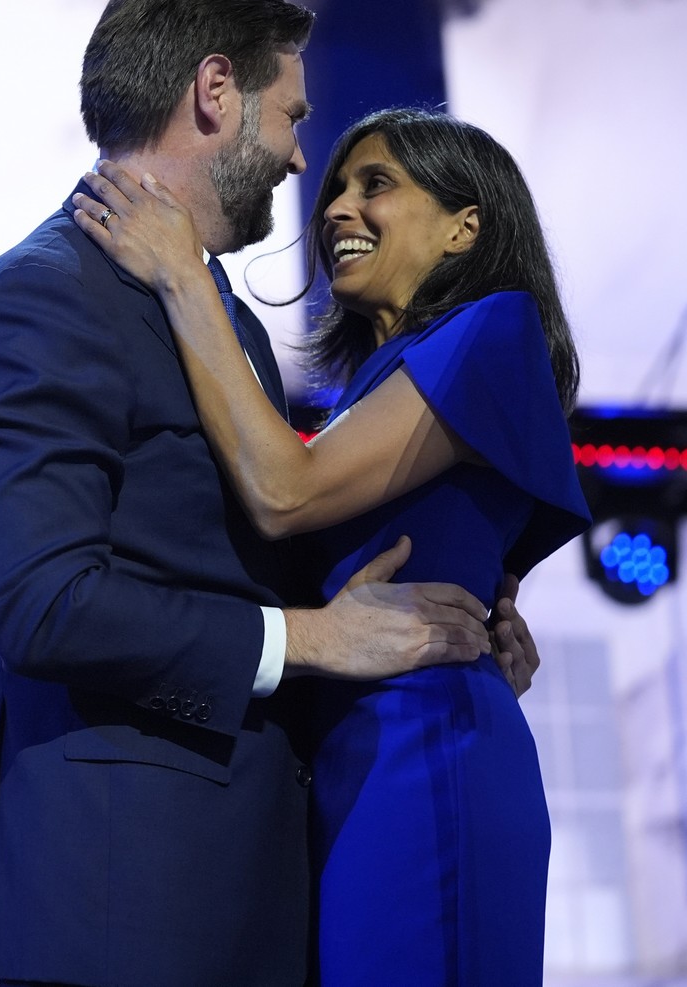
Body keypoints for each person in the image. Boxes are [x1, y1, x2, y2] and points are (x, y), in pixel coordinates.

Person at [0, 0, 540, 987]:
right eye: (292, 117)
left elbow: (247, 568)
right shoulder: (39, 300)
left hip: (252, 894)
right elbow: (44, 602)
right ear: (215, 92)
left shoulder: (228, 325)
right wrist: (312, 637)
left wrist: (436, 642)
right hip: (129, 911)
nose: (302, 159)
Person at [71, 106, 590, 985]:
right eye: (339, 188)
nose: (338, 207)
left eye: (376, 185)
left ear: (465, 225)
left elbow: (285, 491)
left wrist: (182, 276)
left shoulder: (494, 330)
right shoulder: (371, 388)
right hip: (350, 759)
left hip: (426, 755)